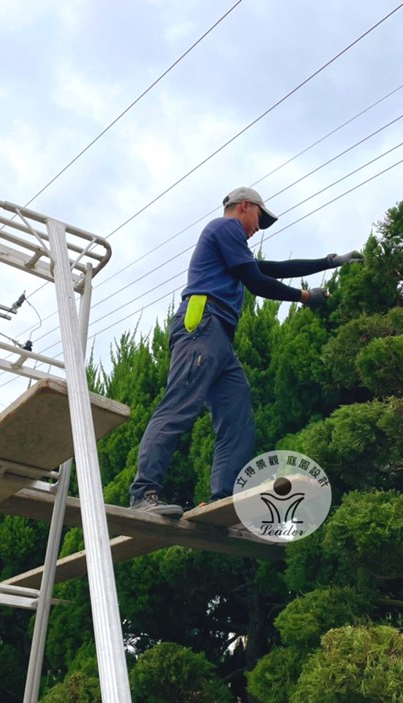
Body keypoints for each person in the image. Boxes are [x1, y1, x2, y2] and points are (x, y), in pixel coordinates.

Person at [128, 187, 361, 517]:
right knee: (180, 405)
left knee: (237, 418)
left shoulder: (232, 247)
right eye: (259, 219)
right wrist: (306, 297)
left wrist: (329, 262)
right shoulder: (225, 227)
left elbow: (273, 268)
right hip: (203, 324)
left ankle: (223, 499)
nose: (258, 228)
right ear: (245, 207)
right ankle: (143, 494)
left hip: (221, 338)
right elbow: (256, 281)